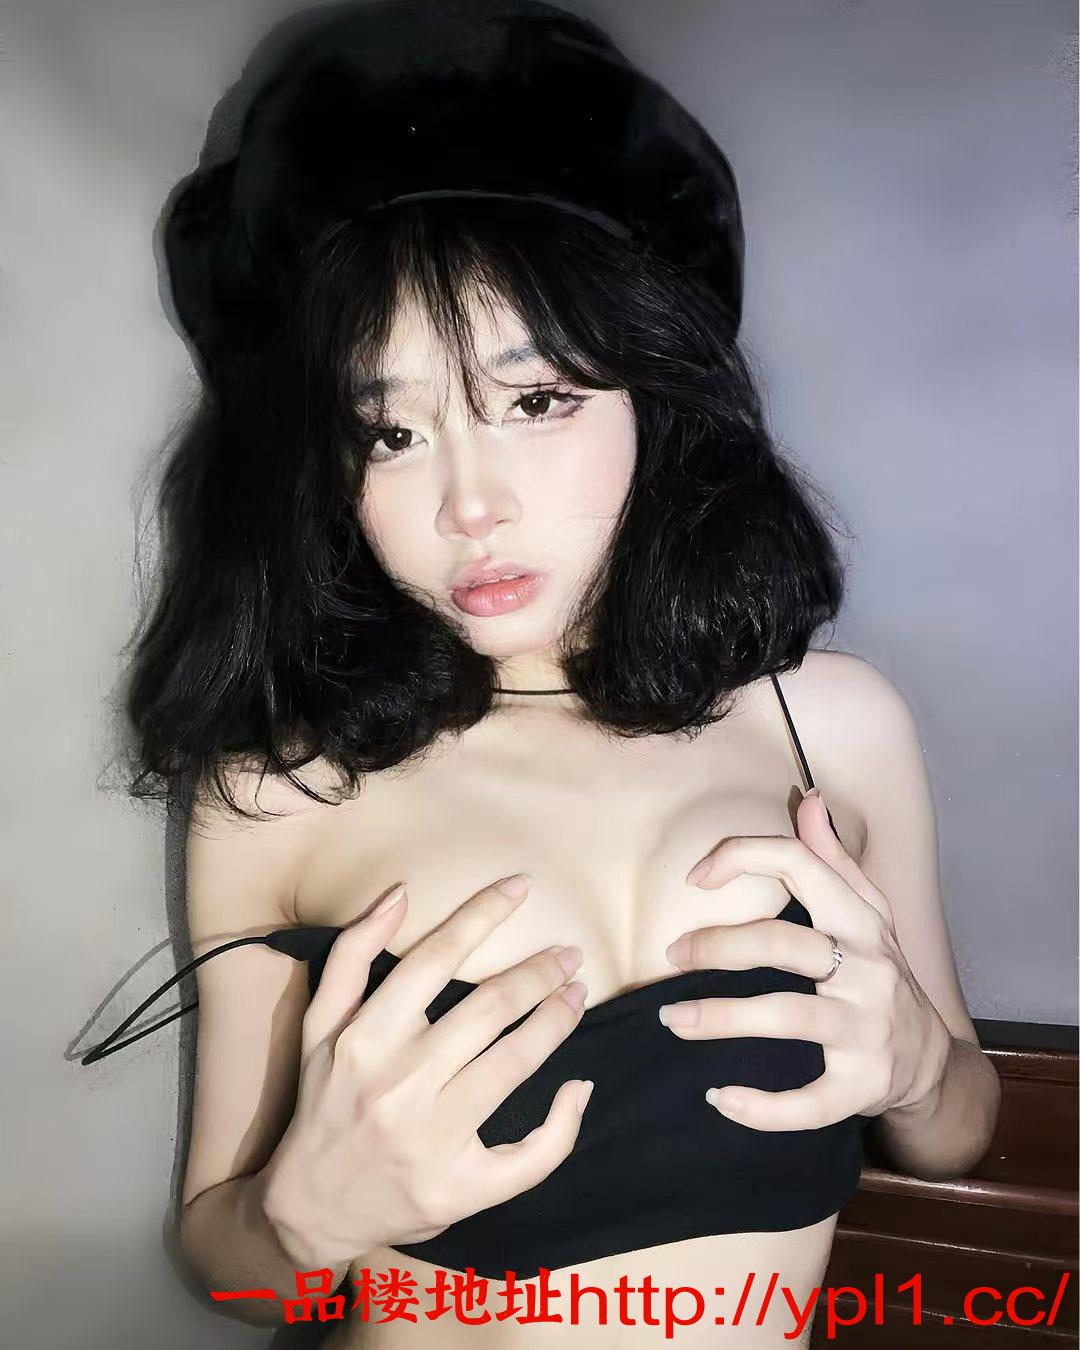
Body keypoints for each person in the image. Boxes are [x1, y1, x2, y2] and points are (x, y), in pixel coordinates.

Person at [123, 1, 1001, 1344]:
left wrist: (923, 1067)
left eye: (536, 401)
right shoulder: (282, 790)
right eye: (391, 433)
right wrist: (301, 1220)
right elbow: (233, 1273)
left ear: (657, 394)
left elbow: (960, 1130)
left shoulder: (832, 727)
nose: (470, 505)